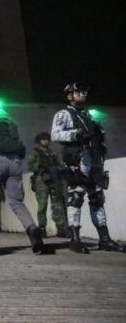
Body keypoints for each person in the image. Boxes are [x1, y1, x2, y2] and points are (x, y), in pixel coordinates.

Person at [51, 83, 122, 253]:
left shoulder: (88, 115)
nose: (83, 94)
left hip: (94, 161)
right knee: (76, 197)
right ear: (70, 95)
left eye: (84, 92)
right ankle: (75, 240)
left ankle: (104, 239)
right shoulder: (63, 114)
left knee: (97, 198)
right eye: (78, 92)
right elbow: (55, 134)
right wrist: (76, 133)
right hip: (77, 161)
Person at [0, 100, 47, 254]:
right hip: (15, 162)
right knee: (16, 201)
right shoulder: (9, 122)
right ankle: (32, 229)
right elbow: (20, 145)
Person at [27, 132, 68, 238]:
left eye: (46, 139)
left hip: (53, 179)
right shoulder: (35, 153)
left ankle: (60, 228)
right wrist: (40, 165)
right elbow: (30, 166)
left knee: (57, 205)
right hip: (41, 180)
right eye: (43, 139)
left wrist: (59, 168)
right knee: (42, 205)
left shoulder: (52, 153)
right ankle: (42, 228)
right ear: (39, 141)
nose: (45, 141)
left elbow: (61, 164)